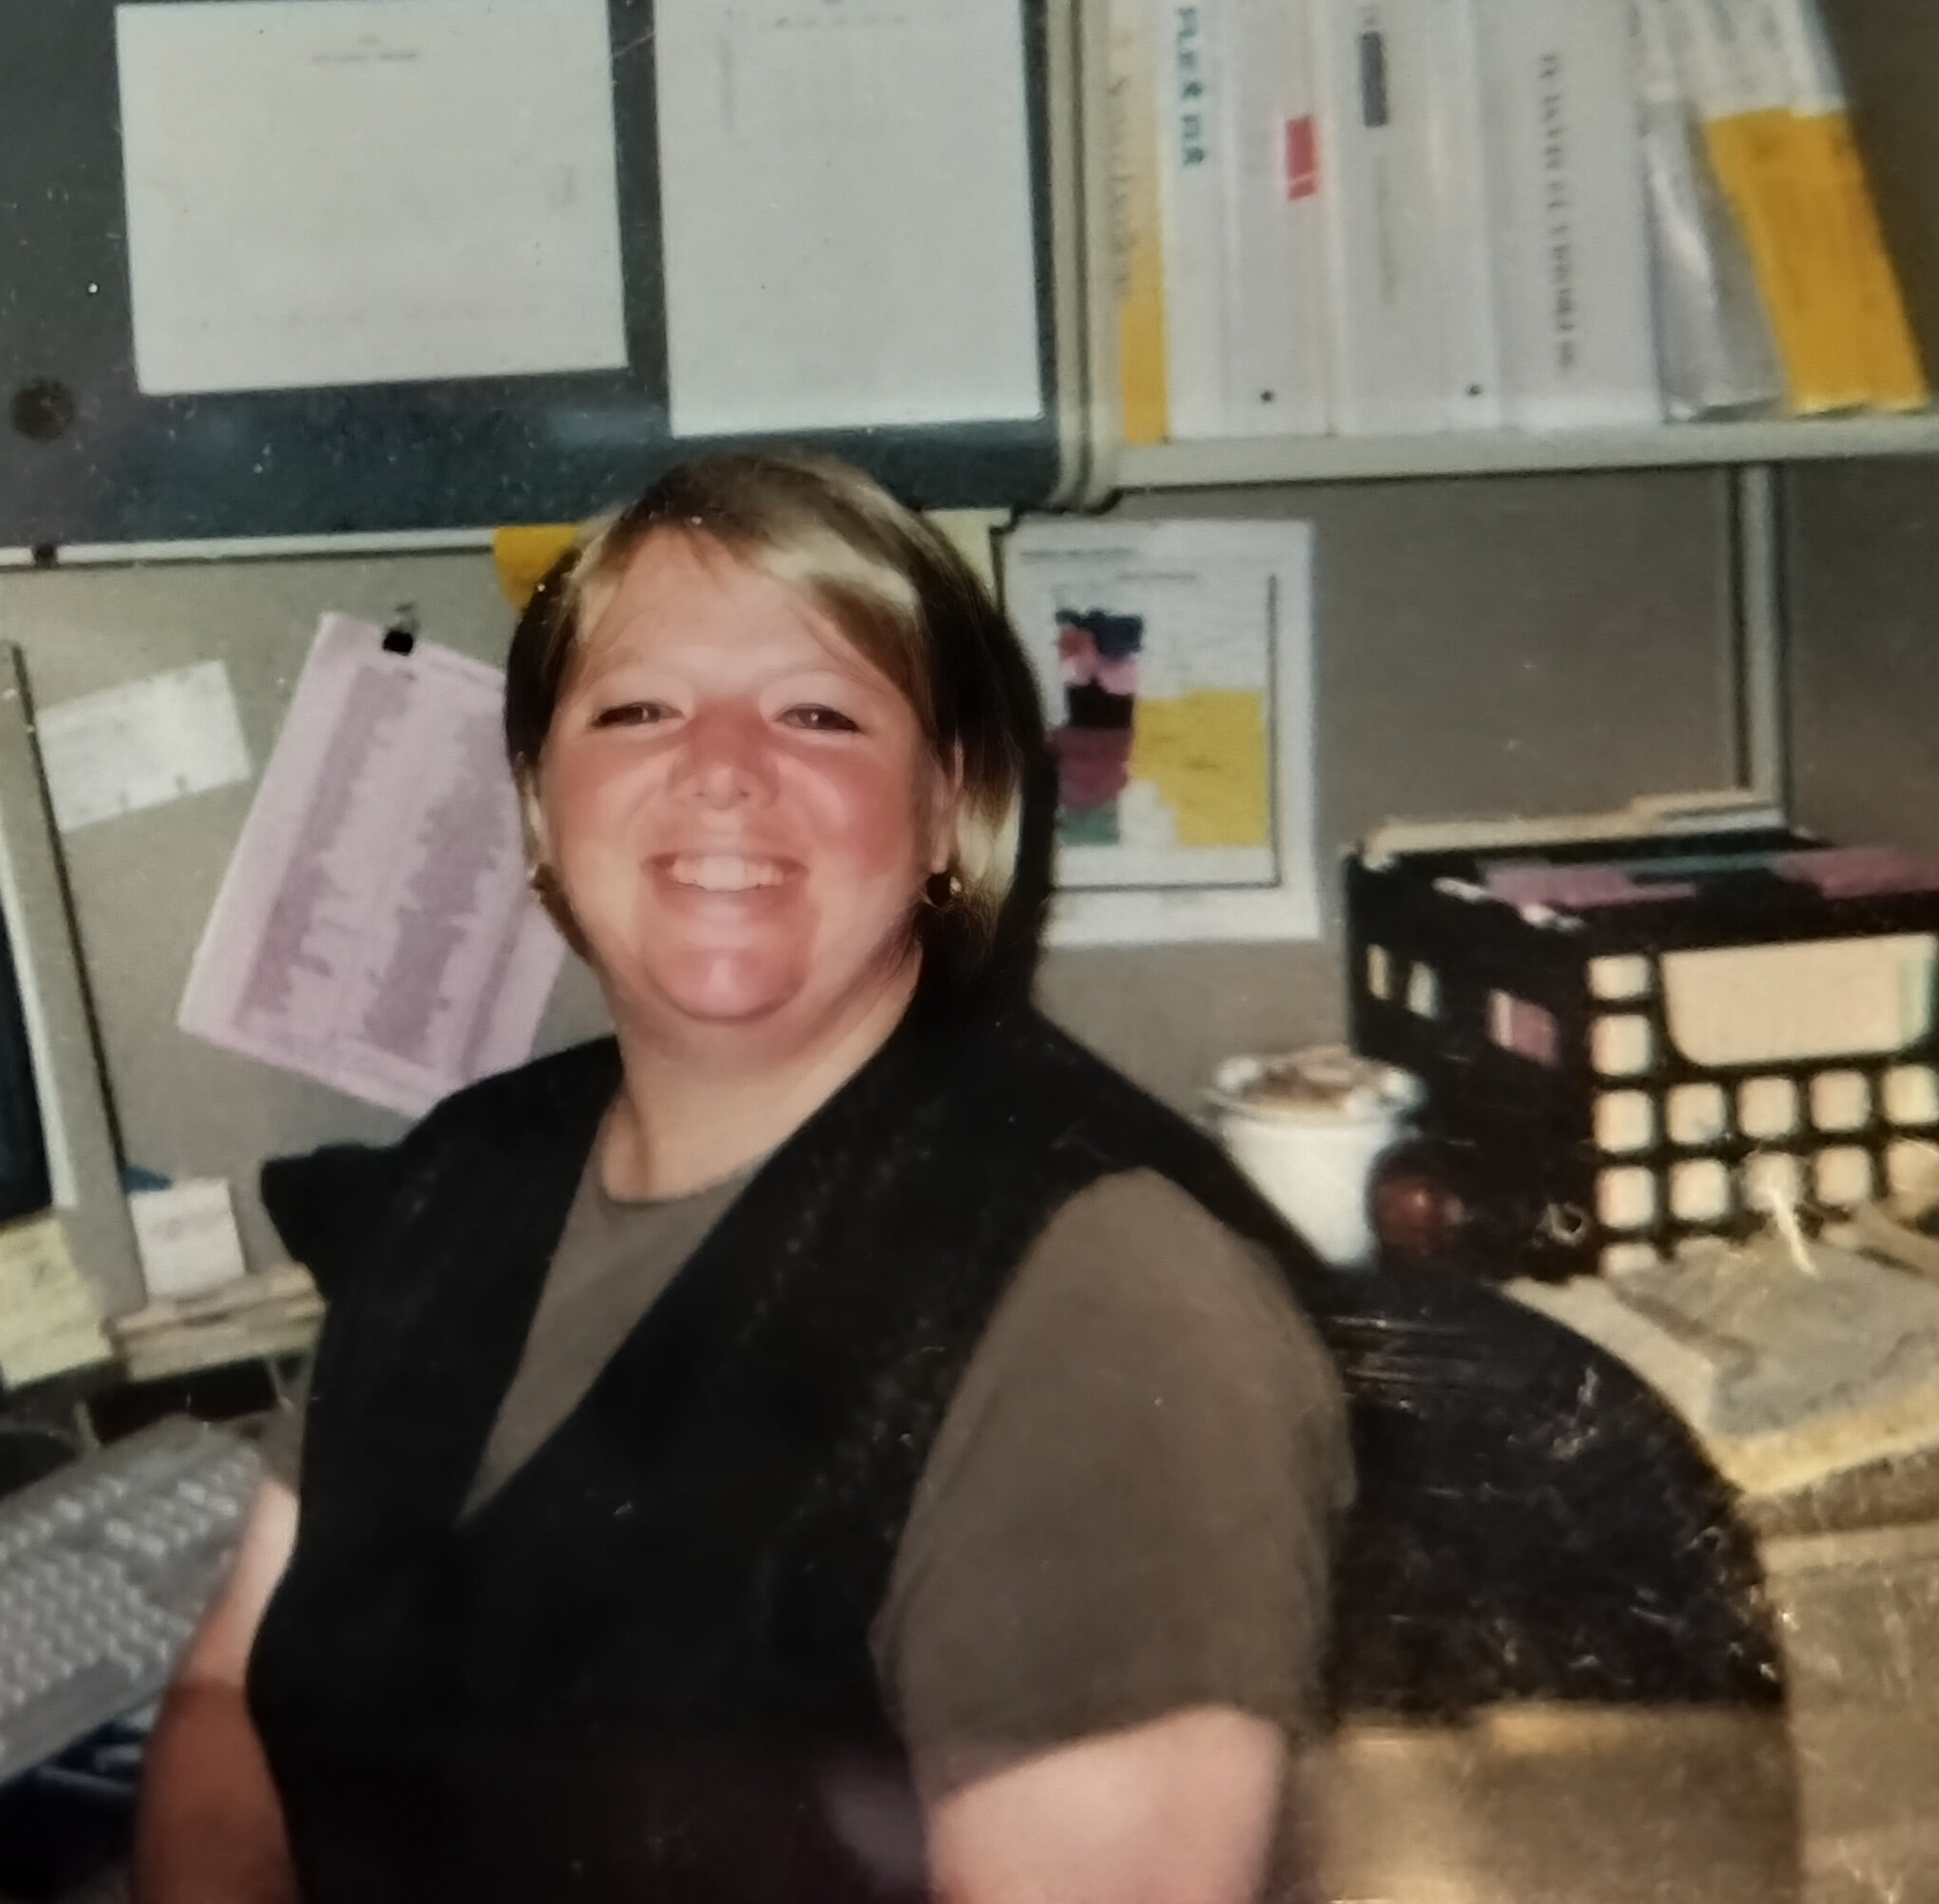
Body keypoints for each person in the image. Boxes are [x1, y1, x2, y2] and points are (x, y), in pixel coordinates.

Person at [137, 450, 1349, 1904]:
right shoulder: (466, 1172)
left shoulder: (1108, 1301)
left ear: (948, 813)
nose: (718, 767)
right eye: (637, 709)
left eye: (819, 713)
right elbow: (227, 1700)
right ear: (540, 804)